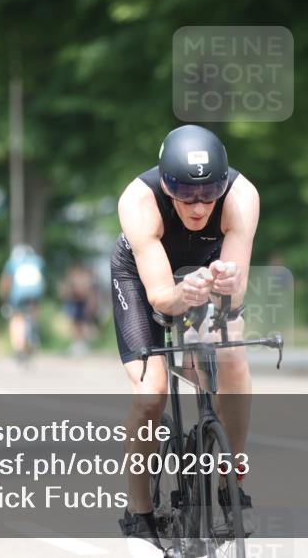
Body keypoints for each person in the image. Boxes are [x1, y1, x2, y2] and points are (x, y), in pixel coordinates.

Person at [110, 124, 259, 553]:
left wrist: (226, 283)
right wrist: (182, 294)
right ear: (165, 184)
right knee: (151, 395)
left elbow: (237, 292)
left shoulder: (242, 196)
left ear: (223, 184)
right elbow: (161, 297)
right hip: (143, 279)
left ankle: (235, 485)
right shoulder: (138, 201)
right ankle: (138, 511)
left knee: (231, 356)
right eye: (185, 194)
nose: (198, 206)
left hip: (207, 271)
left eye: (209, 192)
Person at [0, 244, 46, 361]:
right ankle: (34, 332)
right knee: (33, 311)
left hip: (19, 294)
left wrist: (4, 298)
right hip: (36, 292)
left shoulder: (13, 262)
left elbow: (6, 281)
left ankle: (18, 347)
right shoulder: (37, 261)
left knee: (17, 319)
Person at [60, 263, 98, 357]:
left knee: (80, 325)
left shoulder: (83, 279)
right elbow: (65, 292)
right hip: (74, 303)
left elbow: (87, 293)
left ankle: (81, 344)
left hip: (80, 304)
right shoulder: (73, 280)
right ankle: (77, 344)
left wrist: (90, 306)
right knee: (75, 325)